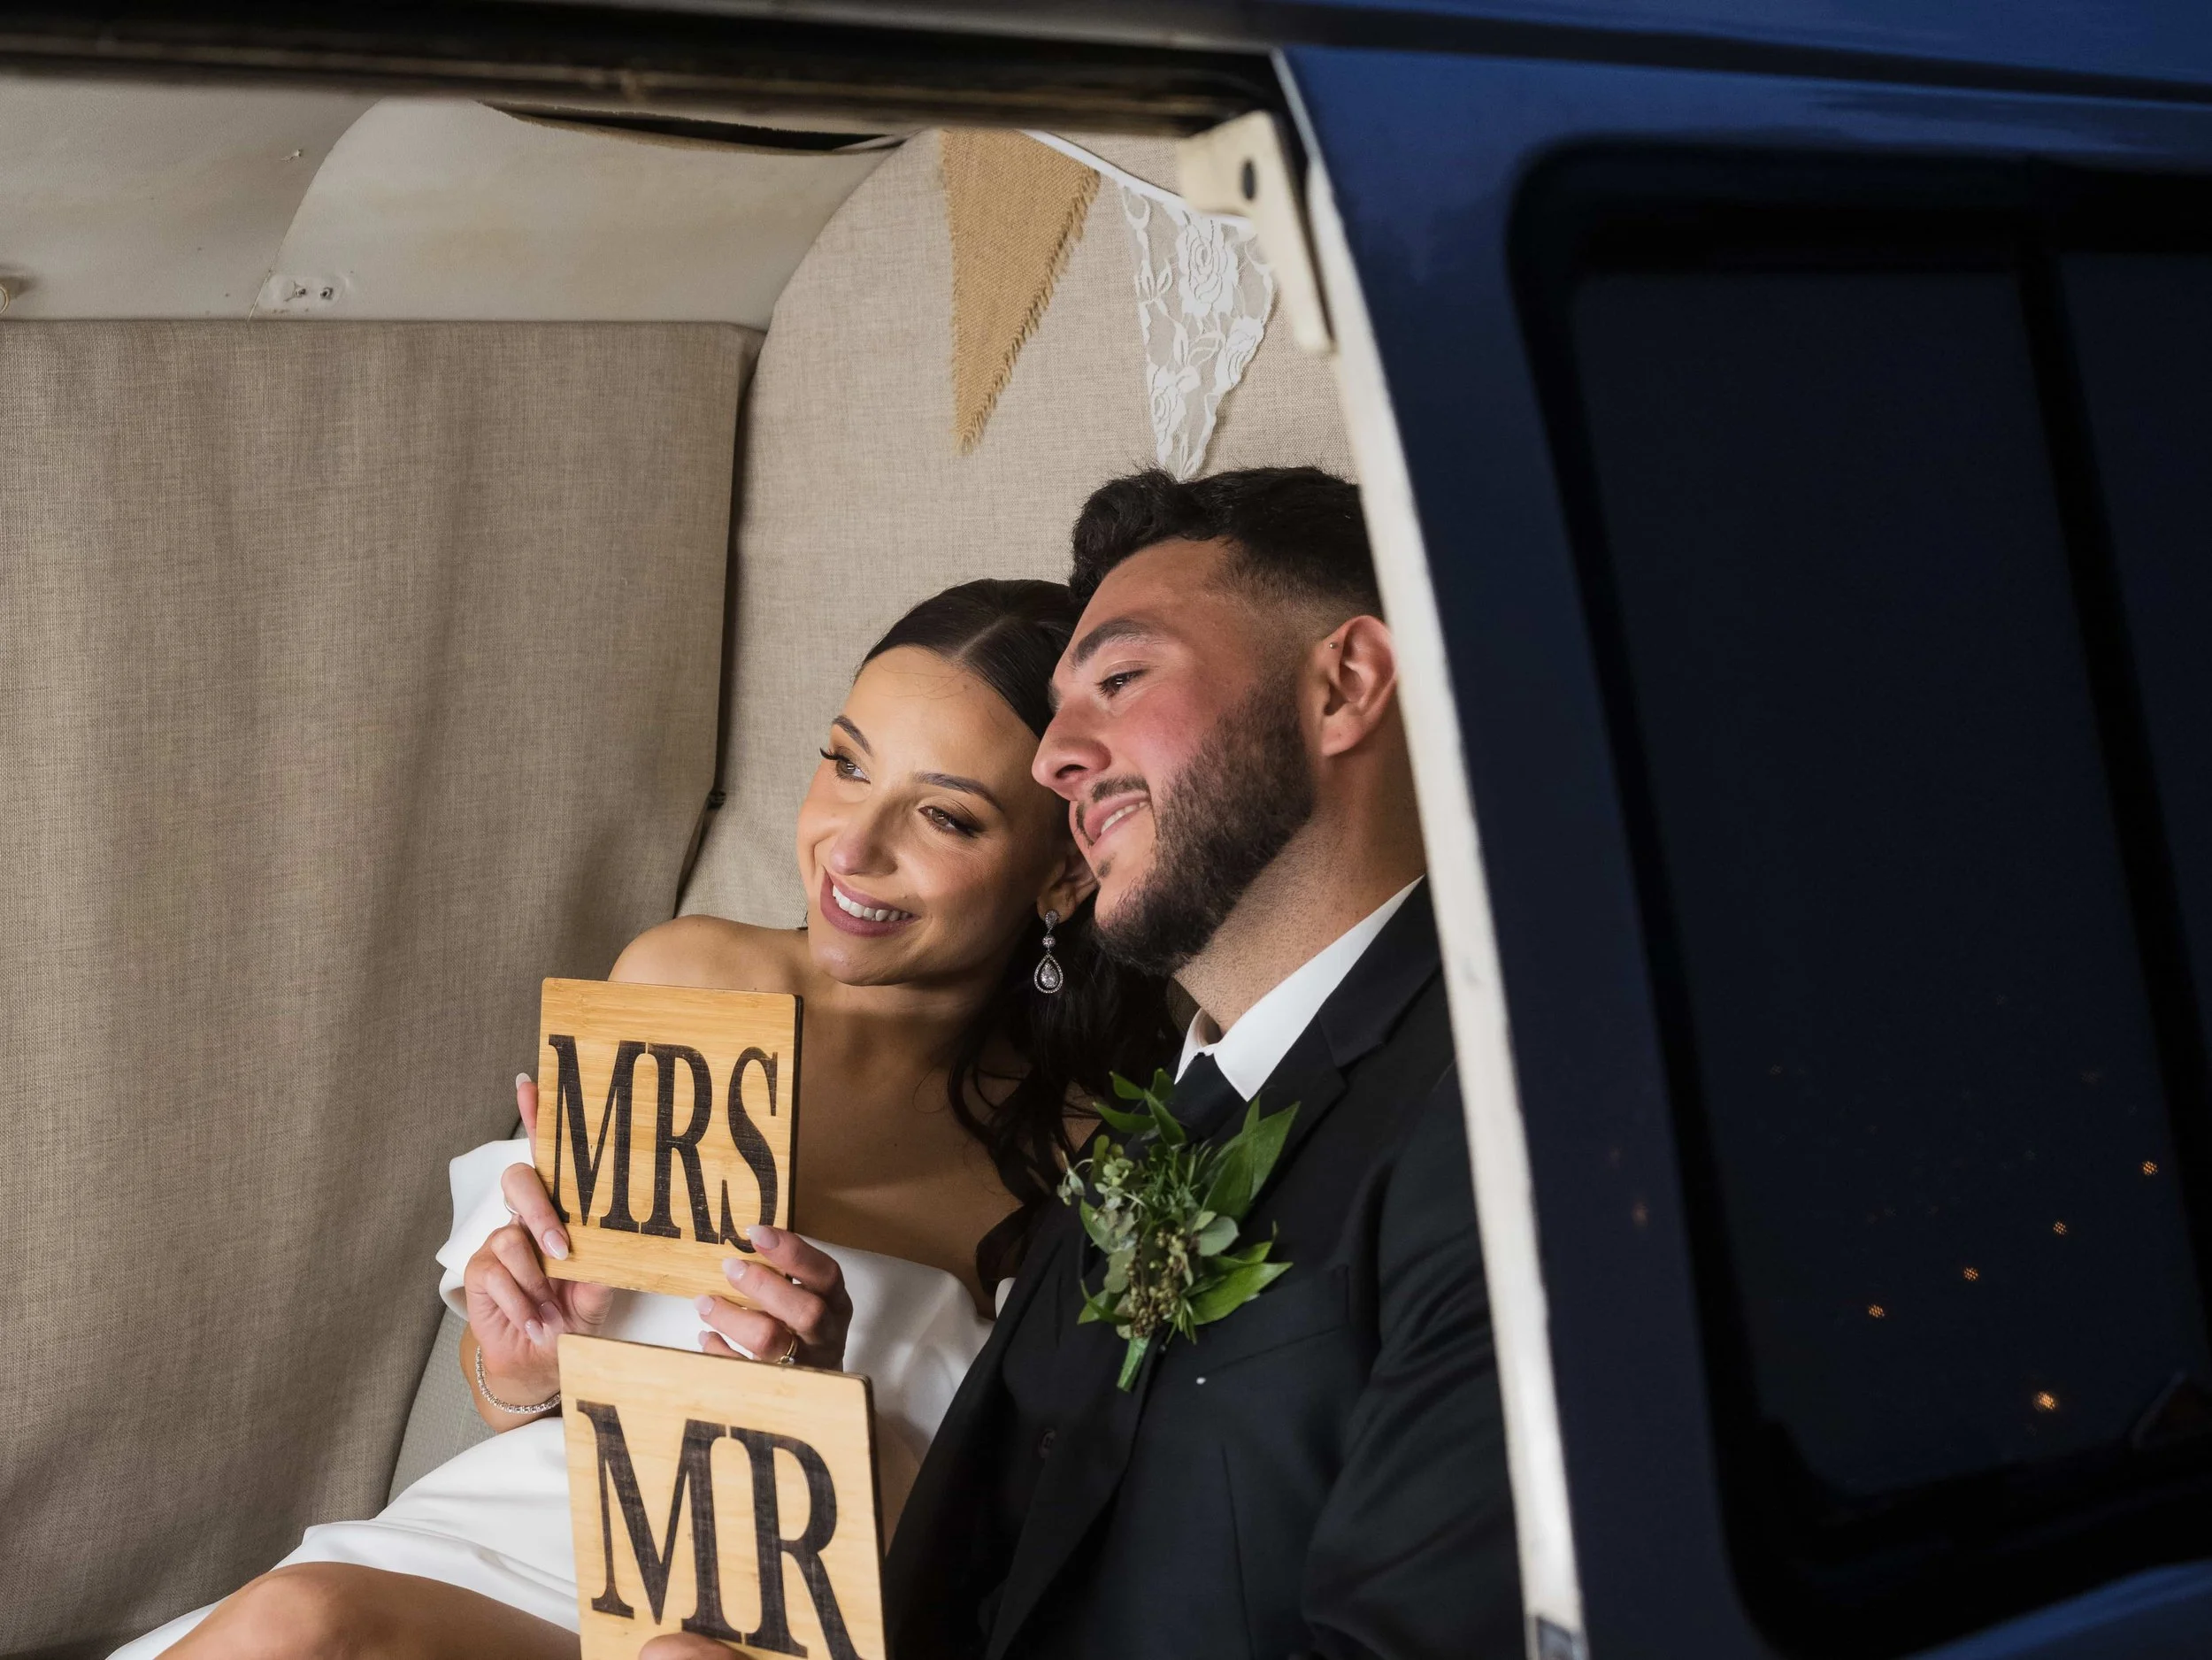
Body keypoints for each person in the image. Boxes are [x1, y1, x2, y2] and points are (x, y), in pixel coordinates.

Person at [111, 579, 1168, 1659]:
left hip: (765, 1624)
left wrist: (818, 1413)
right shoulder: (687, 979)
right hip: (484, 1556)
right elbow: (514, 1392)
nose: (850, 848)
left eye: (942, 814)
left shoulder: (1093, 1161)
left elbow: (1014, 1558)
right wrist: (525, 1361)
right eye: (845, 763)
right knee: (303, 1620)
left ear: (1060, 875)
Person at [637, 465, 1522, 1660]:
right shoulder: (1128, 1164)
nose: (1058, 757)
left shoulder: (1497, 1120)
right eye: (1058, 715)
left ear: (1345, 684)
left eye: (1120, 678)